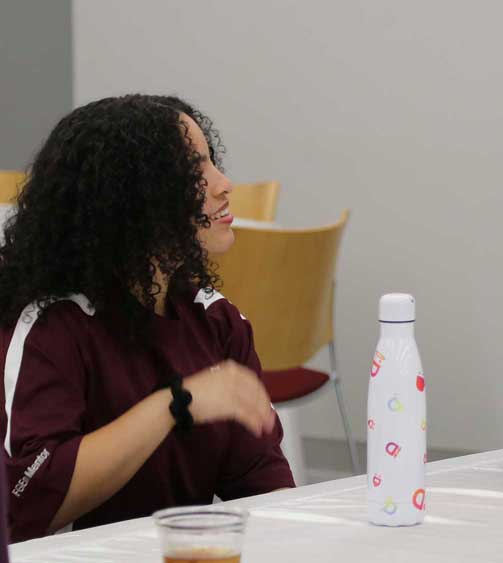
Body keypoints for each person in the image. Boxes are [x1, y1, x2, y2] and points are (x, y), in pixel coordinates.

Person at [0, 94, 294, 542]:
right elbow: (26, 505)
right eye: (196, 169)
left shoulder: (216, 319)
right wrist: (175, 404)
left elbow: (265, 495)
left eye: (213, 162)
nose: (223, 183)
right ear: (131, 199)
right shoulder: (51, 326)